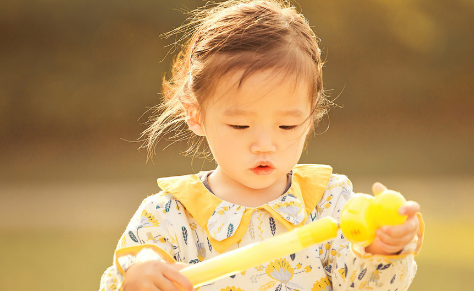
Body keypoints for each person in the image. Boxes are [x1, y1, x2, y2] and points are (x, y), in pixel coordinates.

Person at [99, 1, 424, 290]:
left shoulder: (329, 202)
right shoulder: (169, 216)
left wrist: (383, 249)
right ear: (196, 114)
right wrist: (136, 282)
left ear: (310, 118)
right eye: (241, 125)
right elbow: (125, 277)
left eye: (287, 125)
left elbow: (362, 285)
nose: (265, 145)